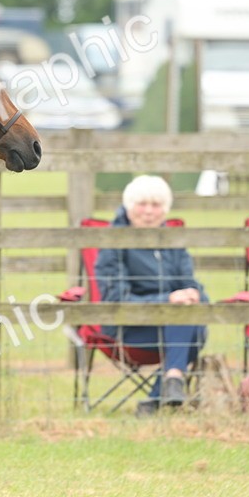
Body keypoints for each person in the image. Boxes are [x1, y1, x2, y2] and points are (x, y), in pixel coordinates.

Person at [95, 175, 207, 417]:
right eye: (141, 204)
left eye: (155, 205)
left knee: (193, 321)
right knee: (190, 326)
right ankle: (169, 386)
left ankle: (158, 397)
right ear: (128, 206)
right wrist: (167, 300)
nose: (148, 212)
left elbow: (189, 283)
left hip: (170, 329)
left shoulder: (173, 242)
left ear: (165, 210)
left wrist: (193, 294)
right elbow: (117, 300)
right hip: (129, 330)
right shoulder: (112, 243)